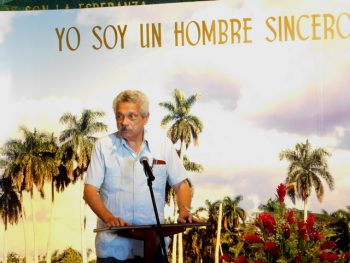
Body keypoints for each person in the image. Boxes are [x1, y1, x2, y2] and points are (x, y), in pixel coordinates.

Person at [84, 90, 199, 263]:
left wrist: (184, 210)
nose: (124, 122)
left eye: (132, 116)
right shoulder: (103, 146)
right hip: (113, 248)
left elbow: (181, 185)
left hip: (153, 246)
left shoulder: (163, 146)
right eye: (119, 116)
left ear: (146, 118)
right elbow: (90, 190)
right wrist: (109, 218)